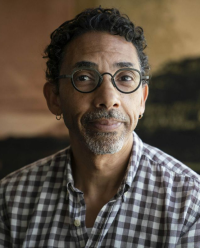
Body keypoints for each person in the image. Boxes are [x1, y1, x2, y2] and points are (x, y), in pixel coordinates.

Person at [0, 7, 200, 248]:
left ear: (142, 100)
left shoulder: (191, 204)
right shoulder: (10, 200)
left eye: (125, 77)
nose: (108, 98)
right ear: (54, 97)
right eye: (84, 77)